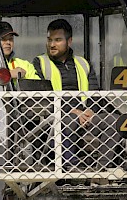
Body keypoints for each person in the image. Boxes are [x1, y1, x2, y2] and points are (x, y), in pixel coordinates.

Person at [32, 19, 120, 169]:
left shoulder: (83, 63)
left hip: (84, 115)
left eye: (58, 40)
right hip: (54, 117)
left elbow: (94, 93)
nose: (52, 44)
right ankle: (72, 169)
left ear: (69, 41)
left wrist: (89, 111)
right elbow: (42, 99)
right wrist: (71, 111)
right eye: (49, 40)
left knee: (114, 121)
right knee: (68, 122)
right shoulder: (39, 62)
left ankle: (102, 170)